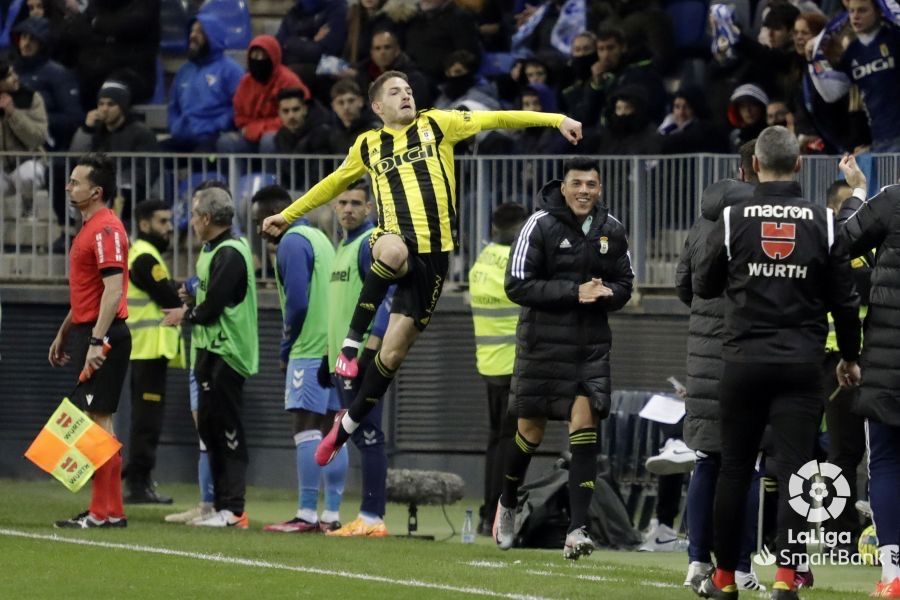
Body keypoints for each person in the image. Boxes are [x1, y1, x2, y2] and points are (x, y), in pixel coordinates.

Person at [260, 70, 582, 469]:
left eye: (409, 90)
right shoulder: (368, 145)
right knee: (391, 251)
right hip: (392, 237)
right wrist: (288, 215)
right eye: (395, 92)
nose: (406, 96)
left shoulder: (437, 124)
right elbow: (330, 184)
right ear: (378, 107)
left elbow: (499, 118)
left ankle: (344, 430)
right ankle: (349, 346)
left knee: (393, 354)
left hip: (435, 256)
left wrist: (557, 120)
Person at [692, 126, 861, 599]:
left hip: (744, 359)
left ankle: (723, 578)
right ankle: (787, 579)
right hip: (801, 364)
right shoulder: (824, 222)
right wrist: (848, 356)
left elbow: (704, 285)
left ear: (755, 167)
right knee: (794, 470)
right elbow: (845, 302)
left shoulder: (733, 218)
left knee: (734, 468)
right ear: (801, 164)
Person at [493, 157, 633, 559]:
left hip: (589, 348)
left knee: (585, 427)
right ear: (564, 186)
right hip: (542, 346)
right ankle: (508, 502)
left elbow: (627, 281)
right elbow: (517, 285)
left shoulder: (612, 229)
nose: (585, 190)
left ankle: (577, 530)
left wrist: (610, 294)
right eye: (578, 183)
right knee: (530, 433)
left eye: (592, 184)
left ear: (600, 188)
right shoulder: (538, 224)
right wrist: (575, 292)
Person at [673, 139, 767, 592]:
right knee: (746, 465)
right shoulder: (767, 218)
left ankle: (696, 560)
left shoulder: (704, 218)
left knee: (707, 460)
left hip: (704, 353)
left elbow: (683, 285)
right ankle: (743, 564)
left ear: (739, 168)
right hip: (751, 347)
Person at [250, 185, 348, 534]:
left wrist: (285, 347)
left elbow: (298, 302)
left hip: (308, 348)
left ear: (272, 216)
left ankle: (306, 513)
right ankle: (331, 514)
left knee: (305, 428)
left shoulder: (291, 242)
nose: (258, 230)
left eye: (258, 221)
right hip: (333, 349)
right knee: (333, 429)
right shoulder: (320, 238)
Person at [161, 186, 259, 529]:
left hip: (227, 351)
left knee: (227, 428)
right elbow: (208, 292)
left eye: (193, 214)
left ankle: (234, 510)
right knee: (210, 428)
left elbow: (215, 304)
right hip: (209, 349)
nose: (191, 221)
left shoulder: (231, 252)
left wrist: (184, 314)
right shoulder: (213, 249)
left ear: (205, 218)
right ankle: (219, 506)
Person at [50, 152, 132, 528]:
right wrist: (67, 330)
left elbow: (113, 292)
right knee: (98, 421)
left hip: (105, 334)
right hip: (90, 331)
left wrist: (97, 341)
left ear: (96, 191)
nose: (69, 186)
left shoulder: (106, 229)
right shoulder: (90, 228)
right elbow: (90, 291)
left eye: (75, 182)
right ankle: (110, 512)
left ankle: (102, 513)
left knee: (95, 422)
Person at [837, 158, 900, 598]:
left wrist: (856, 192)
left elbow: (839, 243)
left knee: (888, 462)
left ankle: (894, 574)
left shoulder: (893, 199)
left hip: (887, 360)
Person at [323, 180, 393, 538]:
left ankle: (371, 516)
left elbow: (387, 294)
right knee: (362, 434)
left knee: (368, 434)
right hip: (341, 360)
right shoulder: (343, 247)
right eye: (342, 203)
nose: (348, 209)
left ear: (369, 209)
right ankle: (369, 515)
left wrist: (371, 350)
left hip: (362, 359)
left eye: (356, 203)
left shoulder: (368, 246)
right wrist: (327, 355)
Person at [468, 202, 526, 536]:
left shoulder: (482, 259)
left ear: (493, 229)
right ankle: (496, 515)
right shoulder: (514, 264)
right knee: (509, 443)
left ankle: (487, 513)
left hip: (489, 362)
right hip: (512, 363)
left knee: (497, 441)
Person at [123, 199, 184, 505]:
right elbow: (169, 298)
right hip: (148, 349)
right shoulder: (146, 258)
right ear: (144, 224)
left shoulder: (143, 255)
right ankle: (137, 484)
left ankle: (139, 481)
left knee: (145, 418)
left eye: (169, 221)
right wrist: (181, 297)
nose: (169, 227)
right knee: (147, 421)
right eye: (162, 221)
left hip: (145, 349)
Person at [808, 0, 900, 152]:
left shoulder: (895, 38)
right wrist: (814, 60)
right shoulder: (852, 52)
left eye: (862, 10)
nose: (855, 16)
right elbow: (832, 94)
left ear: (878, 11)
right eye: (851, 11)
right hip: (879, 139)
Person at [217, 34, 310, 154]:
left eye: (264, 56)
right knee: (227, 141)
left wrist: (259, 129)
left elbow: (295, 114)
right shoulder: (245, 83)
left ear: (274, 57)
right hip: (250, 136)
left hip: (283, 135)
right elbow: (240, 116)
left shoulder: (289, 81)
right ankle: (238, 173)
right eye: (255, 55)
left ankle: (271, 174)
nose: (259, 60)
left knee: (269, 140)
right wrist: (253, 130)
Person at [165, 13, 243, 153]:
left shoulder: (231, 70)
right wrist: (176, 127)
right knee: (154, 154)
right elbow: (173, 106)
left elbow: (240, 106)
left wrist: (217, 126)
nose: (192, 36)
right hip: (184, 136)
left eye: (200, 32)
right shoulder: (184, 70)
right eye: (192, 31)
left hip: (213, 139)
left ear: (213, 36)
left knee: (201, 158)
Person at [12, 16, 82, 150]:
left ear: (42, 44)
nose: (26, 44)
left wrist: (33, 118)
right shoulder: (10, 71)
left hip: (45, 148)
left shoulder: (58, 74)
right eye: (24, 37)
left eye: (32, 39)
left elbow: (74, 118)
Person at [0, 59, 48, 207]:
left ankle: (28, 203)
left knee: (27, 175)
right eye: (8, 75)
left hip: (29, 161)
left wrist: (13, 113)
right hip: (3, 168)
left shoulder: (31, 98)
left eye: (14, 72)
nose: (15, 77)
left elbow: (38, 137)